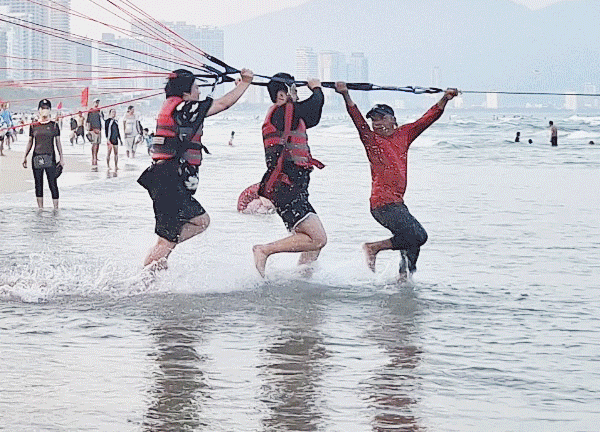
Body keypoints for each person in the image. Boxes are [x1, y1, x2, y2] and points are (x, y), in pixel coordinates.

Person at [139, 66, 255, 270]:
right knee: (195, 223)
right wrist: (245, 83)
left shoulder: (178, 109)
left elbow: (215, 104)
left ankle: (152, 273)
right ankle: (145, 277)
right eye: (196, 88)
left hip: (165, 179)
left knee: (173, 234)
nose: (199, 91)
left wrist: (238, 88)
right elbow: (222, 104)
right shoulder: (182, 108)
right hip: (167, 180)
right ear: (185, 93)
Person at [336, 82, 457, 276]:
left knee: (412, 247)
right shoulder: (371, 140)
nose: (377, 123)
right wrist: (345, 94)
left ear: (393, 120)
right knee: (419, 236)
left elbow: (427, 119)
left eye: (381, 118)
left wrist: (445, 98)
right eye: (374, 120)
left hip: (398, 203)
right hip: (382, 204)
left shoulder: (404, 134)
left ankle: (403, 282)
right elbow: (357, 119)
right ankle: (373, 248)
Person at [247, 73, 329, 277]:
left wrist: (322, 92)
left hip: (295, 188)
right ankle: (264, 250)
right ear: (282, 95)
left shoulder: (290, 116)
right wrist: (316, 88)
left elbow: (314, 115)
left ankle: (302, 279)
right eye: (294, 91)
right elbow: (314, 103)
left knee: (314, 243)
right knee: (318, 239)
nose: (298, 96)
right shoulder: (281, 112)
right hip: (286, 187)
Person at [26, 99, 64, 206]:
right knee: (38, 183)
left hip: (50, 156)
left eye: (47, 108)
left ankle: (56, 208)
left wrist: (61, 158)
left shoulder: (54, 125)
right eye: (43, 108)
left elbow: (58, 143)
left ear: (50, 110)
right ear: (39, 110)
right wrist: (25, 156)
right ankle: (40, 208)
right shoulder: (34, 125)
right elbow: (30, 142)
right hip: (37, 156)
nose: (45, 110)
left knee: (52, 183)